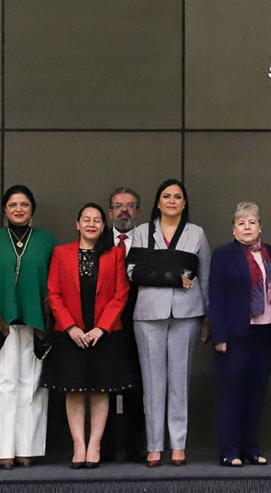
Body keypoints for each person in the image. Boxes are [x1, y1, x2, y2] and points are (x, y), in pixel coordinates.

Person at [126, 179, 211, 468]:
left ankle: (178, 444)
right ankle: (153, 446)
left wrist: (207, 317)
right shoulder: (140, 232)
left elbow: (205, 276)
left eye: (178, 196)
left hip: (187, 313)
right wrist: (174, 276)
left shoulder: (196, 233)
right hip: (148, 314)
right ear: (158, 202)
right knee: (152, 383)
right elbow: (134, 273)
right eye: (166, 196)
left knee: (179, 381)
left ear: (184, 203)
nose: (172, 201)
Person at [43, 203, 132, 469]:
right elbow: (53, 293)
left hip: (104, 333)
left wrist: (101, 328)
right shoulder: (61, 253)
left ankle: (94, 446)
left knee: (100, 389)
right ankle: (78, 445)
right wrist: (70, 327)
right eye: (86, 219)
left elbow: (121, 294)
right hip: (70, 333)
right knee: (74, 389)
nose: (91, 224)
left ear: (103, 226)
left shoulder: (115, 254)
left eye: (97, 220)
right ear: (77, 224)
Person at [0, 185, 55, 469]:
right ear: (5, 210)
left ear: (32, 208)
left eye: (24, 204)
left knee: (32, 386)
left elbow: (54, 285)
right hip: (0, 324)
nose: (18, 209)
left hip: (36, 323)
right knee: (1, 385)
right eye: (12, 205)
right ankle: (3, 451)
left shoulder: (47, 241)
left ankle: (27, 449)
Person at [209, 202, 271, 467]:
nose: (247, 227)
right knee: (232, 394)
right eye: (241, 223)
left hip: (266, 333)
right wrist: (219, 336)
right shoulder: (224, 255)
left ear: (260, 227)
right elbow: (215, 297)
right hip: (235, 335)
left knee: (256, 394)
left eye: (251, 222)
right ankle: (230, 450)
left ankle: (251, 448)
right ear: (233, 229)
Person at [102, 187, 145, 463]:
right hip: (102, 324)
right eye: (118, 206)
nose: (124, 211)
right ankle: (103, 448)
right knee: (102, 386)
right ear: (110, 212)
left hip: (138, 321)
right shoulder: (95, 239)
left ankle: (134, 447)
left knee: (136, 387)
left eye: (130, 205)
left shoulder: (146, 241)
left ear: (138, 212)